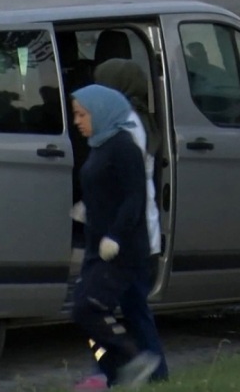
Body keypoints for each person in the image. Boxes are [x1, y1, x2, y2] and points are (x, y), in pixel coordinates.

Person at [69, 84, 161, 389]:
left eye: (82, 115)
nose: (77, 121)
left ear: (101, 112)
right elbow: (105, 188)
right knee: (83, 312)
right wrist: (86, 208)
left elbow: (134, 198)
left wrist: (116, 236)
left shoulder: (124, 147)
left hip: (120, 250)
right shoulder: (99, 144)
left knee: (90, 307)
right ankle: (112, 373)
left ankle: (134, 359)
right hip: (97, 245)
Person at [92, 59, 169, 385]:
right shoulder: (131, 121)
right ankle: (135, 373)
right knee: (128, 312)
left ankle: (127, 373)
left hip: (129, 239)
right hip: (133, 236)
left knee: (106, 311)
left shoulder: (127, 127)